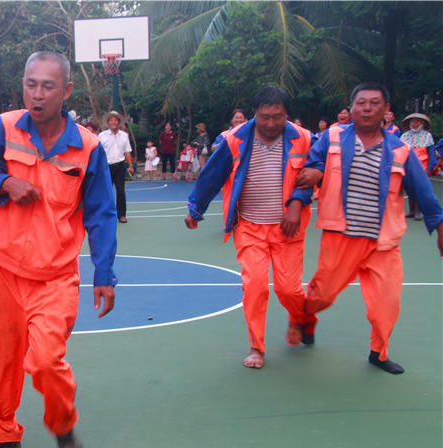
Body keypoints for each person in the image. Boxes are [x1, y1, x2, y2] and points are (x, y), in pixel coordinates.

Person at [0, 50, 117, 448]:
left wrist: (104, 273)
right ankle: (6, 436)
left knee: (48, 360)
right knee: (3, 363)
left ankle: (62, 425)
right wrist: (4, 182)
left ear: (66, 90)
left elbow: (101, 213)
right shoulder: (4, 126)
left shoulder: (87, 147)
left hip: (55, 277)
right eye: (31, 84)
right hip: (5, 270)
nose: (37, 94)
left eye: (47, 86)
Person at [296, 82, 443, 375]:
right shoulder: (332, 137)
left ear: (386, 110)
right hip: (341, 238)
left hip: (383, 243)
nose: (367, 108)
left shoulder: (401, 150)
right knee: (321, 296)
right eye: (361, 103)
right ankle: (305, 320)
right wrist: (311, 177)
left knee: (386, 305)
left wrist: (439, 226)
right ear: (351, 109)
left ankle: (379, 353)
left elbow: (423, 192)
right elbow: (312, 166)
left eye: (374, 103)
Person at [185, 86, 315, 369]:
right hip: (249, 227)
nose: (271, 123)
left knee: (289, 290)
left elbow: (316, 171)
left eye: (278, 117)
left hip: (288, 227)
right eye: (265, 117)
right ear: (255, 113)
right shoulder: (235, 139)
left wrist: (298, 203)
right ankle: (257, 346)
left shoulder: (305, 139)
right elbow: (212, 174)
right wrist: (196, 208)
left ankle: (302, 318)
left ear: (287, 114)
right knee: (254, 286)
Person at [98, 110, 134, 223]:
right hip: (106, 167)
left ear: (118, 122)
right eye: (111, 120)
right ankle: (106, 214)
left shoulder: (124, 136)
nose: (113, 122)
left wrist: (130, 166)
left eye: (115, 120)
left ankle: (121, 215)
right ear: (108, 123)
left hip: (120, 166)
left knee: (121, 191)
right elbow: (97, 152)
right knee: (106, 192)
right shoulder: (102, 136)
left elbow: (127, 152)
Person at [400, 113, 437, 220]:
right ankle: (411, 211)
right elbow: (400, 151)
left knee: (419, 189)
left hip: (422, 166)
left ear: (422, 123)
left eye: (417, 121)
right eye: (413, 121)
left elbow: (431, 153)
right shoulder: (405, 136)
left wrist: (430, 168)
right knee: (409, 188)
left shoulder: (427, 136)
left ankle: (418, 211)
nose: (415, 124)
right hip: (407, 166)